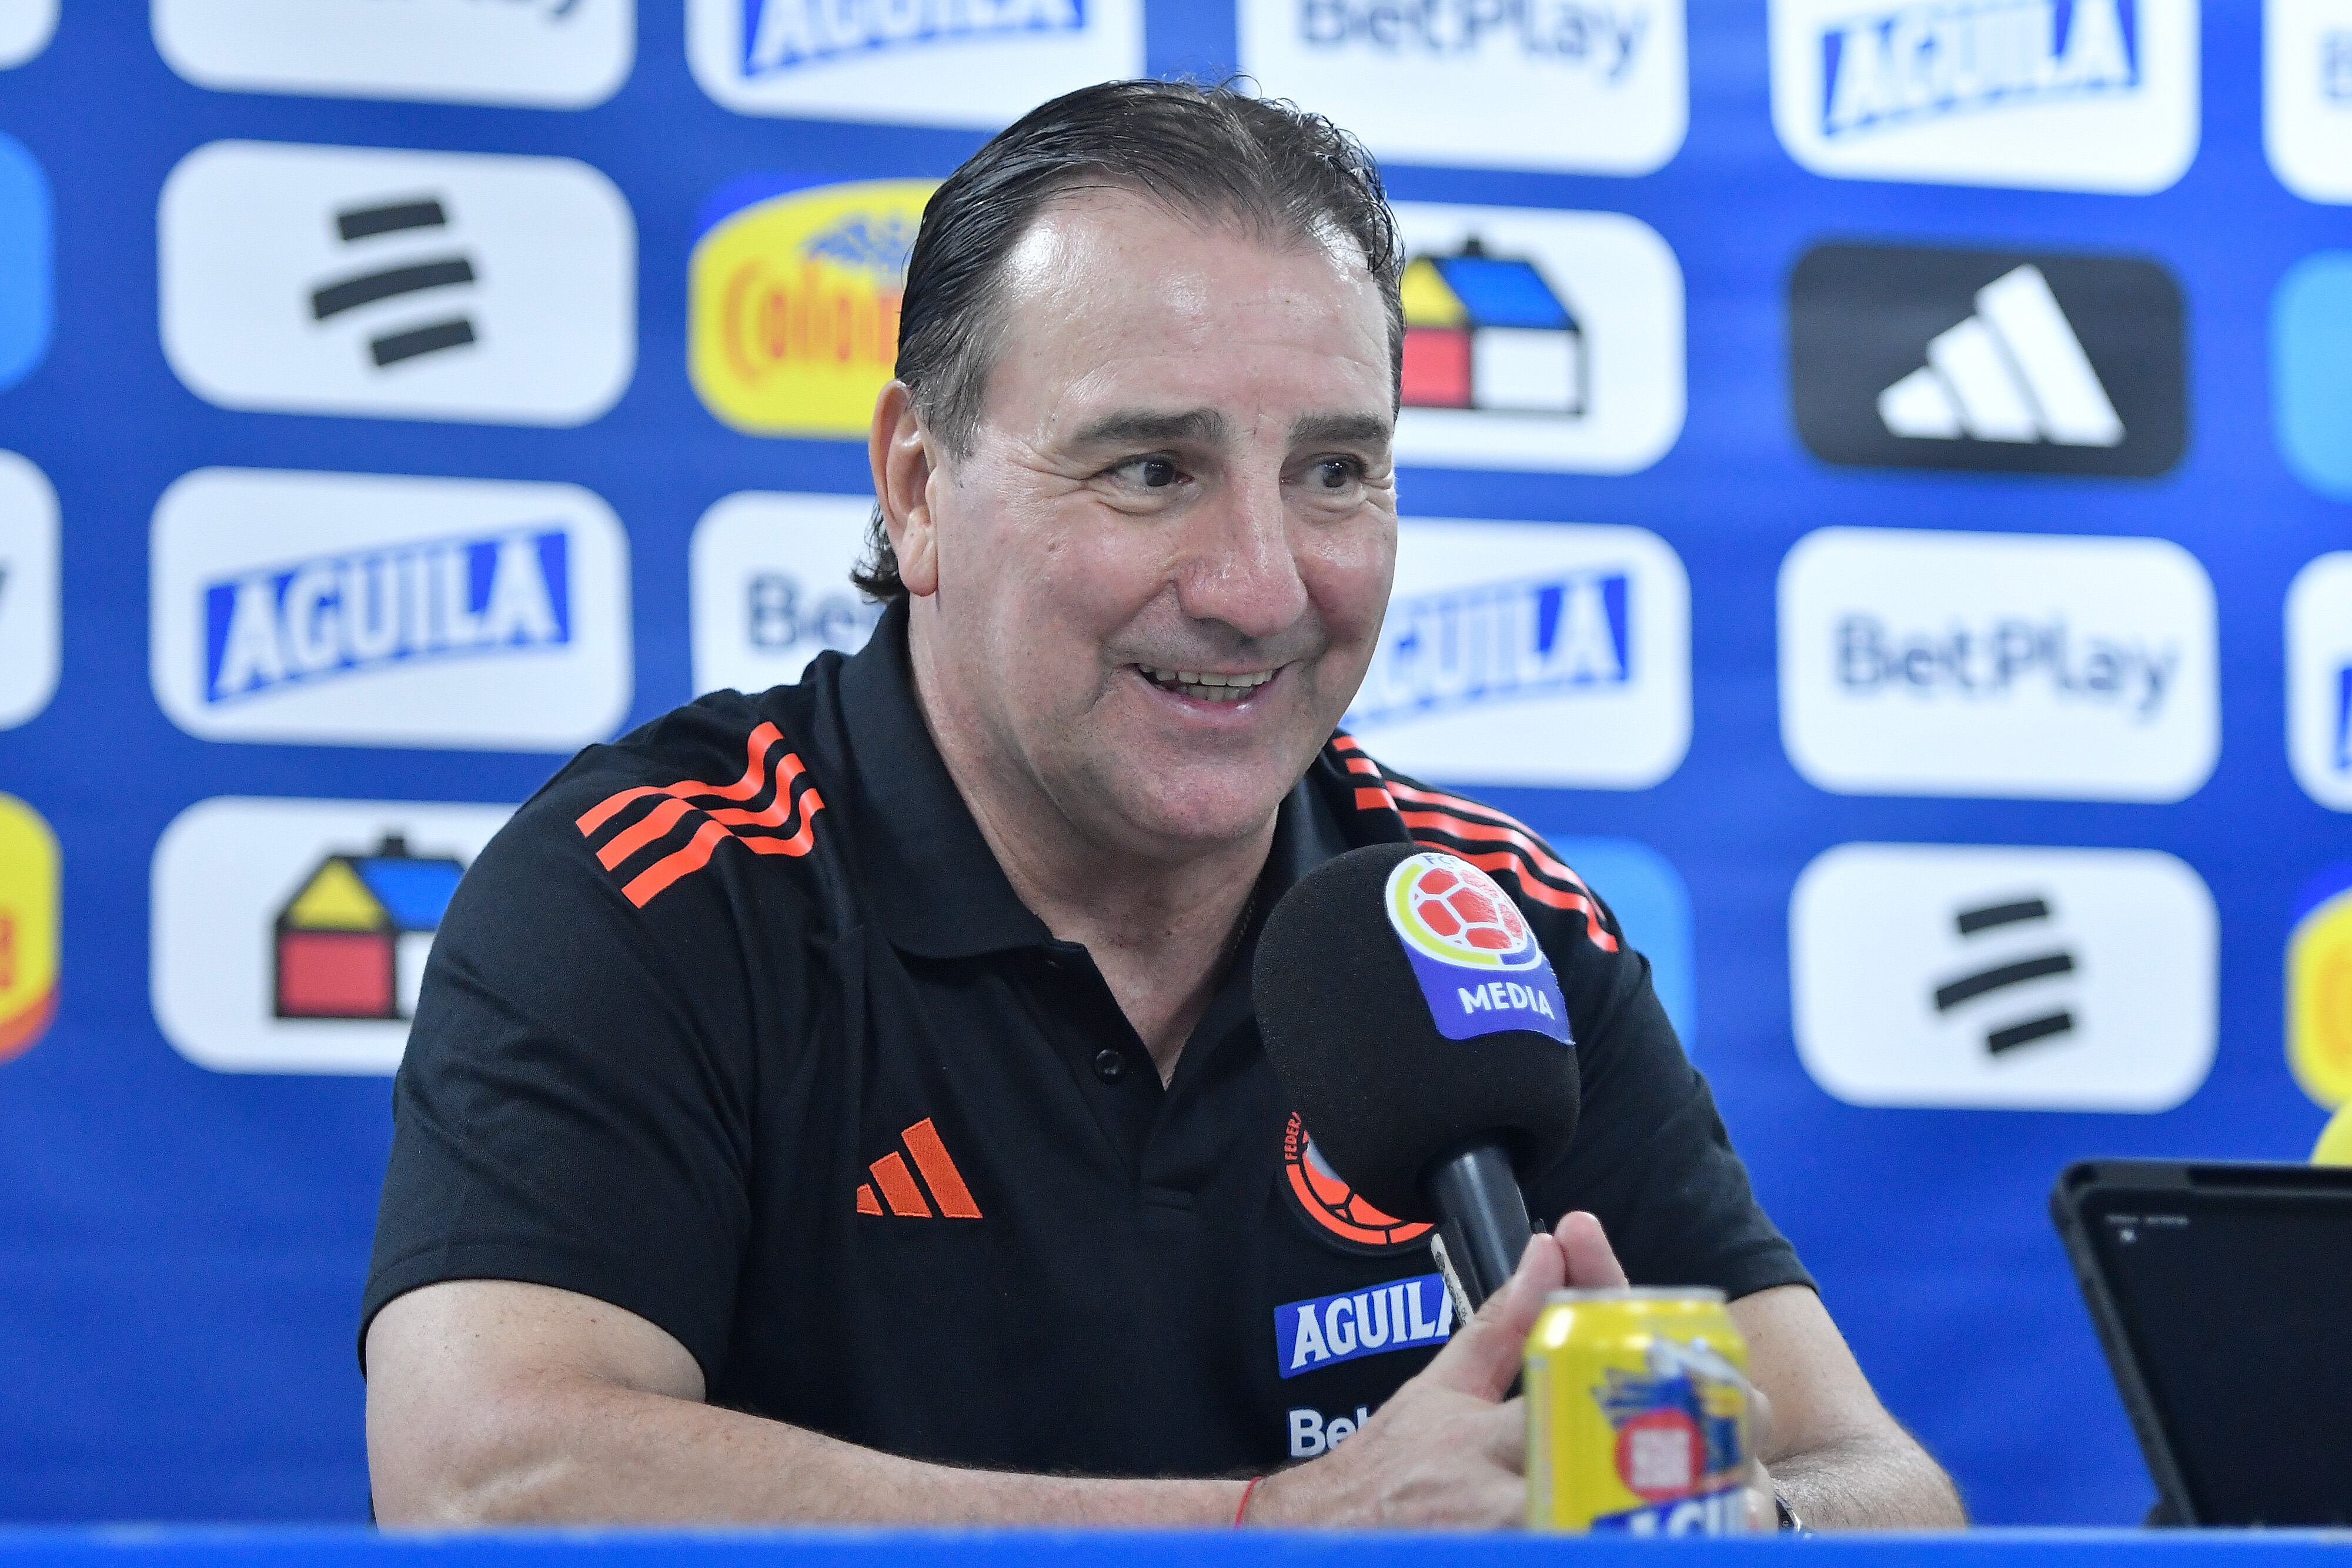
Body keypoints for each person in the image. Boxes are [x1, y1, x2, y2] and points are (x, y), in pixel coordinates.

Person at [362, 79, 1963, 1531]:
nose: (1260, 585)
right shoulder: (652, 887)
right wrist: (1271, 1532)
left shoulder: (1483, 924)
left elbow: (1880, 1486)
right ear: (917, 487)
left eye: (1334, 472)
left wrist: (1698, 1509)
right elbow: (491, 1481)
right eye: (1151, 470)